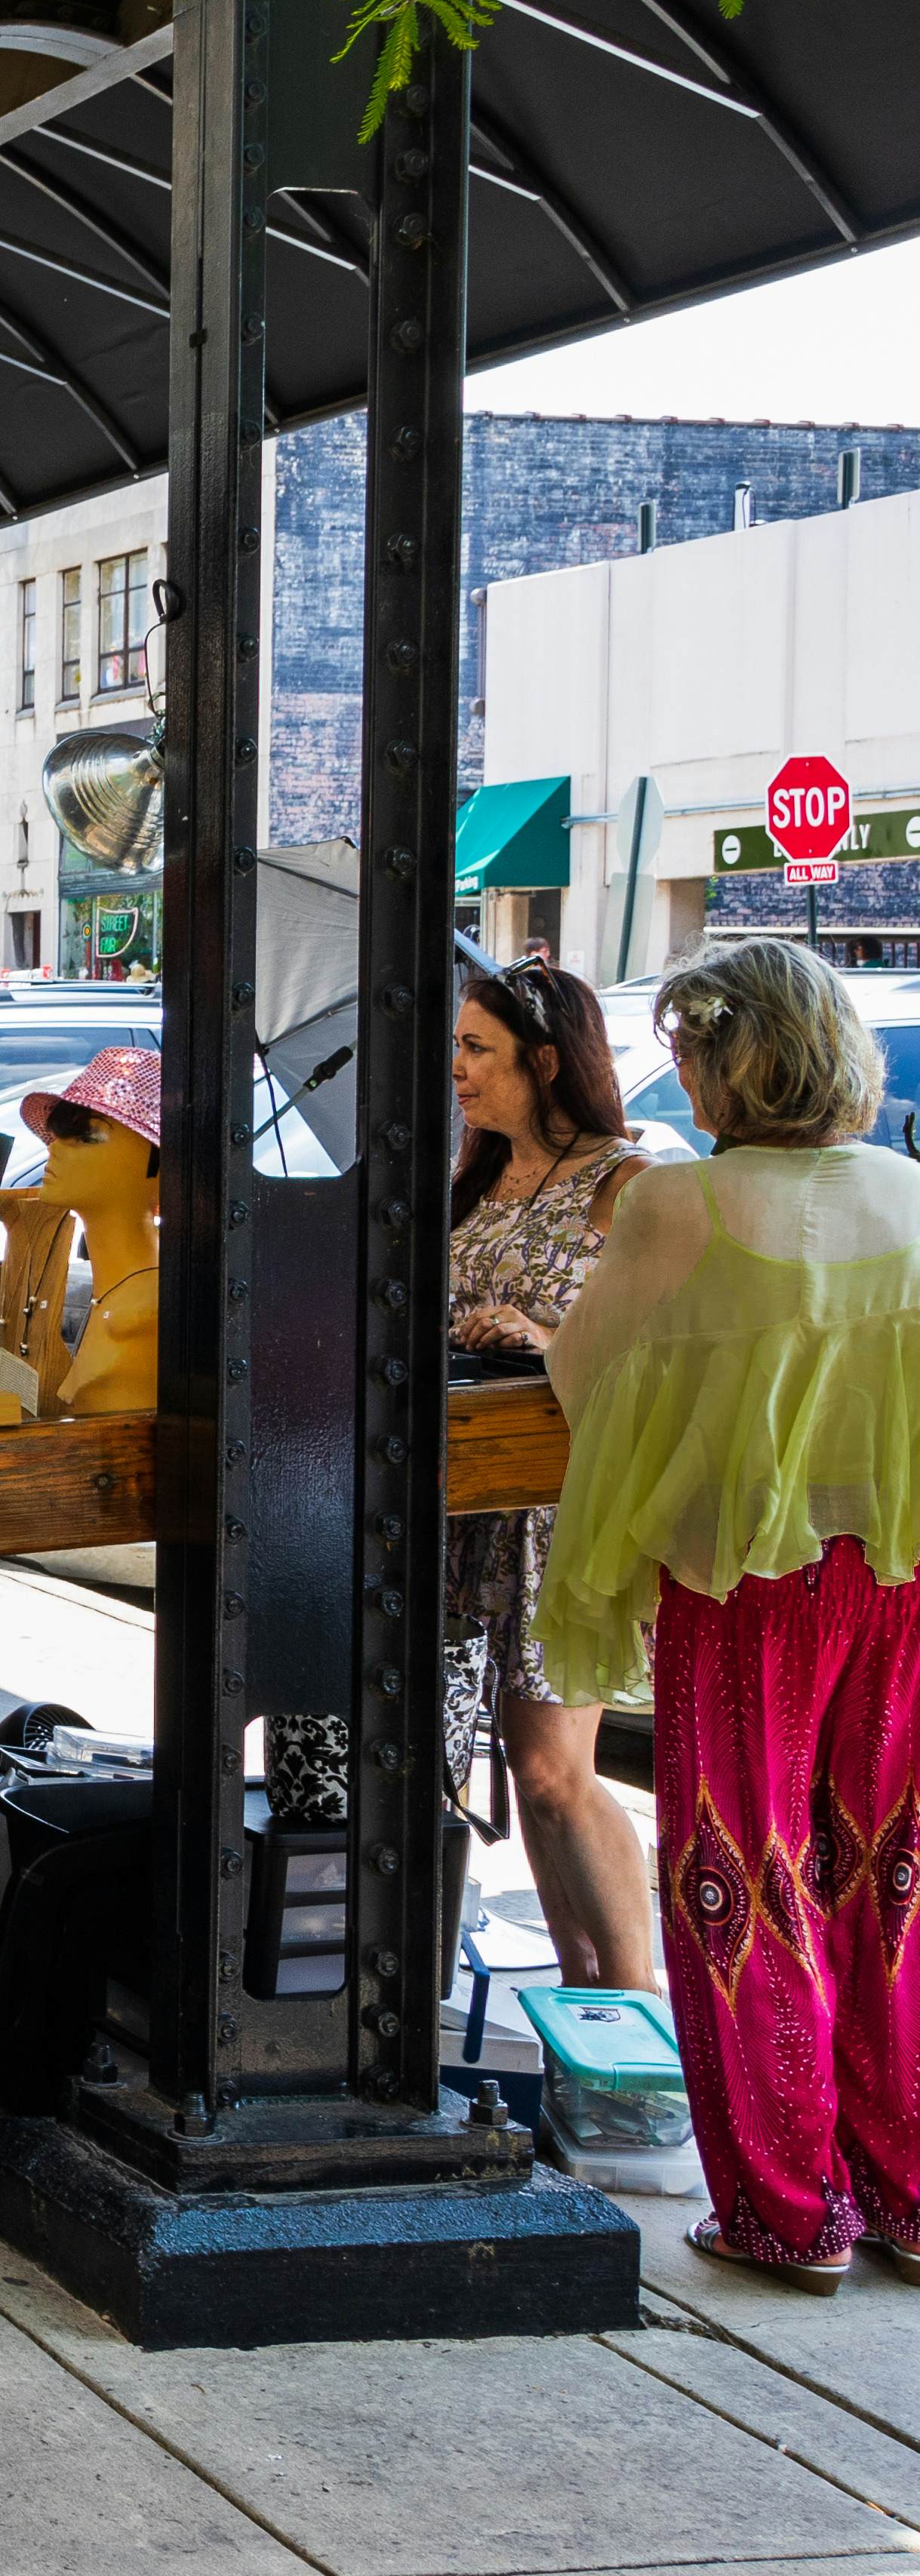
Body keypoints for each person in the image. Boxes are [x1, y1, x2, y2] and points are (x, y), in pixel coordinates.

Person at [542, 940, 920, 2294]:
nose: (680, 1072)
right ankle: (902, 2189)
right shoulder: (908, 1190)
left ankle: (782, 2203)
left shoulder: (681, 1203)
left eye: (687, 1047)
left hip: (742, 1583)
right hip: (894, 1575)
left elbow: (588, 1382)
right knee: (883, 1878)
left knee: (735, 1877)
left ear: (724, 1053)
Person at [444, 959, 654, 1991]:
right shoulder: (473, 1174)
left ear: (544, 1060)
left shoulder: (628, 1181)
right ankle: (583, 1999)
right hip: (456, 1497)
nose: (455, 1069)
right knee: (516, 1775)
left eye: (475, 1048)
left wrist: (547, 1334)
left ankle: (633, 2005)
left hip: (553, 1505)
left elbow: (666, 1347)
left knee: (553, 1767)